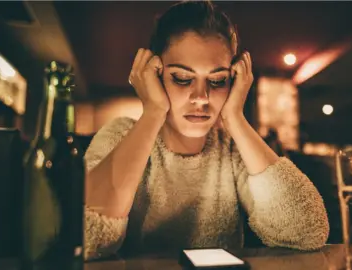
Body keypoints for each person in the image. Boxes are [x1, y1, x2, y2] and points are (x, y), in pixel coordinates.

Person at [84, 0, 329, 260]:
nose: (201, 97)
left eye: (217, 80)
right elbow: (86, 238)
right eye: (182, 78)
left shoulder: (233, 150)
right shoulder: (121, 134)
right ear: (154, 76)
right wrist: (153, 111)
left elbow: (307, 232)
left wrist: (235, 117)